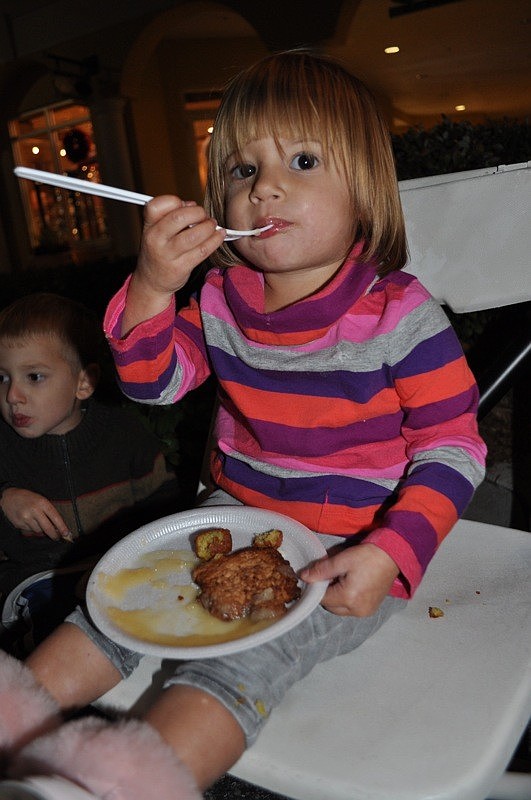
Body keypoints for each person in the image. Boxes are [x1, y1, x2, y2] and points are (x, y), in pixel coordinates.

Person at [0, 51, 486, 800]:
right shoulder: (223, 298)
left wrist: (391, 551)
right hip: (230, 517)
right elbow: (155, 384)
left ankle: (128, 783)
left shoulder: (401, 317)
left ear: (363, 189)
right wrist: (154, 286)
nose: (264, 185)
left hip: (345, 549)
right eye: (239, 169)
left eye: (300, 159)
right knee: (114, 604)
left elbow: (453, 448)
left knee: (237, 661)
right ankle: (13, 721)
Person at [0, 292, 178, 652]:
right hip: (37, 582)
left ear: (84, 383)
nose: (13, 395)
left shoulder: (123, 434)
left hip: (121, 572)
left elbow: (167, 507)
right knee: (61, 631)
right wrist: (4, 496)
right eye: (2, 377)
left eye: (34, 376)